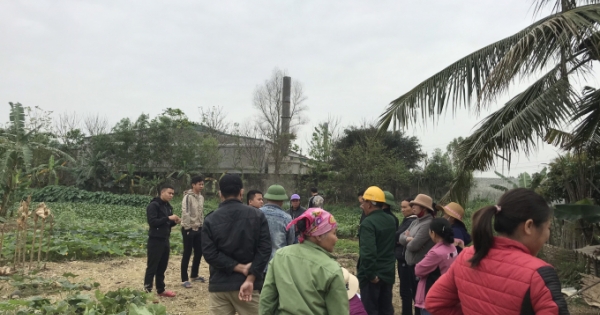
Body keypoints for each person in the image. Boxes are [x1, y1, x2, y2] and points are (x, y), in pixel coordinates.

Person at [426, 188, 569, 315]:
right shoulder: (539, 275)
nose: (547, 235)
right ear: (529, 226)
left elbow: (434, 302)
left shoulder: (468, 255)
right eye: (548, 228)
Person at [201, 174, 272, 315]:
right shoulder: (257, 216)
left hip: (220, 286)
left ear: (220, 194)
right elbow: (265, 249)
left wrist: (237, 267)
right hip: (249, 287)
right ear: (241, 192)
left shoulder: (210, 219)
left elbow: (210, 254)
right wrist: (250, 277)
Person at [259, 208, 349, 315]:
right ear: (319, 235)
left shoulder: (280, 256)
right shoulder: (331, 269)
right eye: (334, 233)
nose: (336, 239)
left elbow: (267, 300)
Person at [358, 186, 396, 315]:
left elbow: (368, 252)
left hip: (373, 276)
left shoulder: (368, 223)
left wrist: (370, 274)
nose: (362, 205)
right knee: (386, 308)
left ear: (370, 204)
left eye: (364, 202)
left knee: (370, 310)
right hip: (387, 272)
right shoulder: (391, 220)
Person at [398, 194, 436, 315]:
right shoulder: (416, 222)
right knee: (413, 296)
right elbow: (400, 237)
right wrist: (409, 238)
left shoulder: (427, 224)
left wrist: (408, 239)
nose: (412, 207)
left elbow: (413, 246)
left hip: (419, 268)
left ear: (423, 208)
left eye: (416, 205)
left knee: (419, 300)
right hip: (411, 266)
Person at [415, 218, 457, 315]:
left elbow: (418, 270)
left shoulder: (436, 253)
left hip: (432, 293)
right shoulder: (452, 247)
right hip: (446, 293)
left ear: (433, 233)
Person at [144, 184, 180, 297]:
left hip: (165, 239)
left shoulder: (167, 206)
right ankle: (147, 291)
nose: (171, 195)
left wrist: (174, 221)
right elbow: (153, 222)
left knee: (162, 266)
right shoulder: (153, 206)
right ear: (162, 192)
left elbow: (167, 223)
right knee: (152, 267)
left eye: (173, 194)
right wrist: (168, 218)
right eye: (169, 193)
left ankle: (161, 290)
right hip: (155, 240)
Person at [260, 185, 295, 265]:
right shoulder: (287, 218)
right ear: (282, 201)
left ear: (267, 198)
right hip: (278, 263)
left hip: (258, 265)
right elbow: (290, 242)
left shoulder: (256, 213)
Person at [180, 175, 205, 288]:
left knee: (199, 252)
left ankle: (194, 275)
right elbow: (186, 213)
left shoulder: (201, 197)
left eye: (202, 184)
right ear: (193, 185)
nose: (201, 186)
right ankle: (184, 279)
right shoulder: (187, 197)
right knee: (187, 253)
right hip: (189, 229)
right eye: (199, 184)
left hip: (199, 228)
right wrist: (187, 228)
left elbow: (201, 213)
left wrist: (202, 226)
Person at [396, 198, 417, 315]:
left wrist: (399, 239)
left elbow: (397, 236)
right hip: (402, 259)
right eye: (401, 207)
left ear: (413, 208)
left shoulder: (411, 222)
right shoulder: (407, 220)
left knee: (406, 291)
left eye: (405, 207)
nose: (402, 210)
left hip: (406, 261)